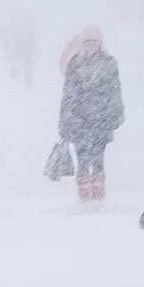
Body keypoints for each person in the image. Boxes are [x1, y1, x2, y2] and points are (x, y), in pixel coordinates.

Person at [58, 27, 124, 203]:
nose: (90, 46)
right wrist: (65, 119)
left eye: (93, 42)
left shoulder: (109, 63)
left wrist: (116, 114)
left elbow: (115, 90)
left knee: (98, 155)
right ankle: (84, 194)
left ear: (99, 44)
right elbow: (68, 94)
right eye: (87, 43)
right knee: (82, 156)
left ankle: (98, 191)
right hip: (79, 119)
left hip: (101, 118)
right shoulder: (75, 64)